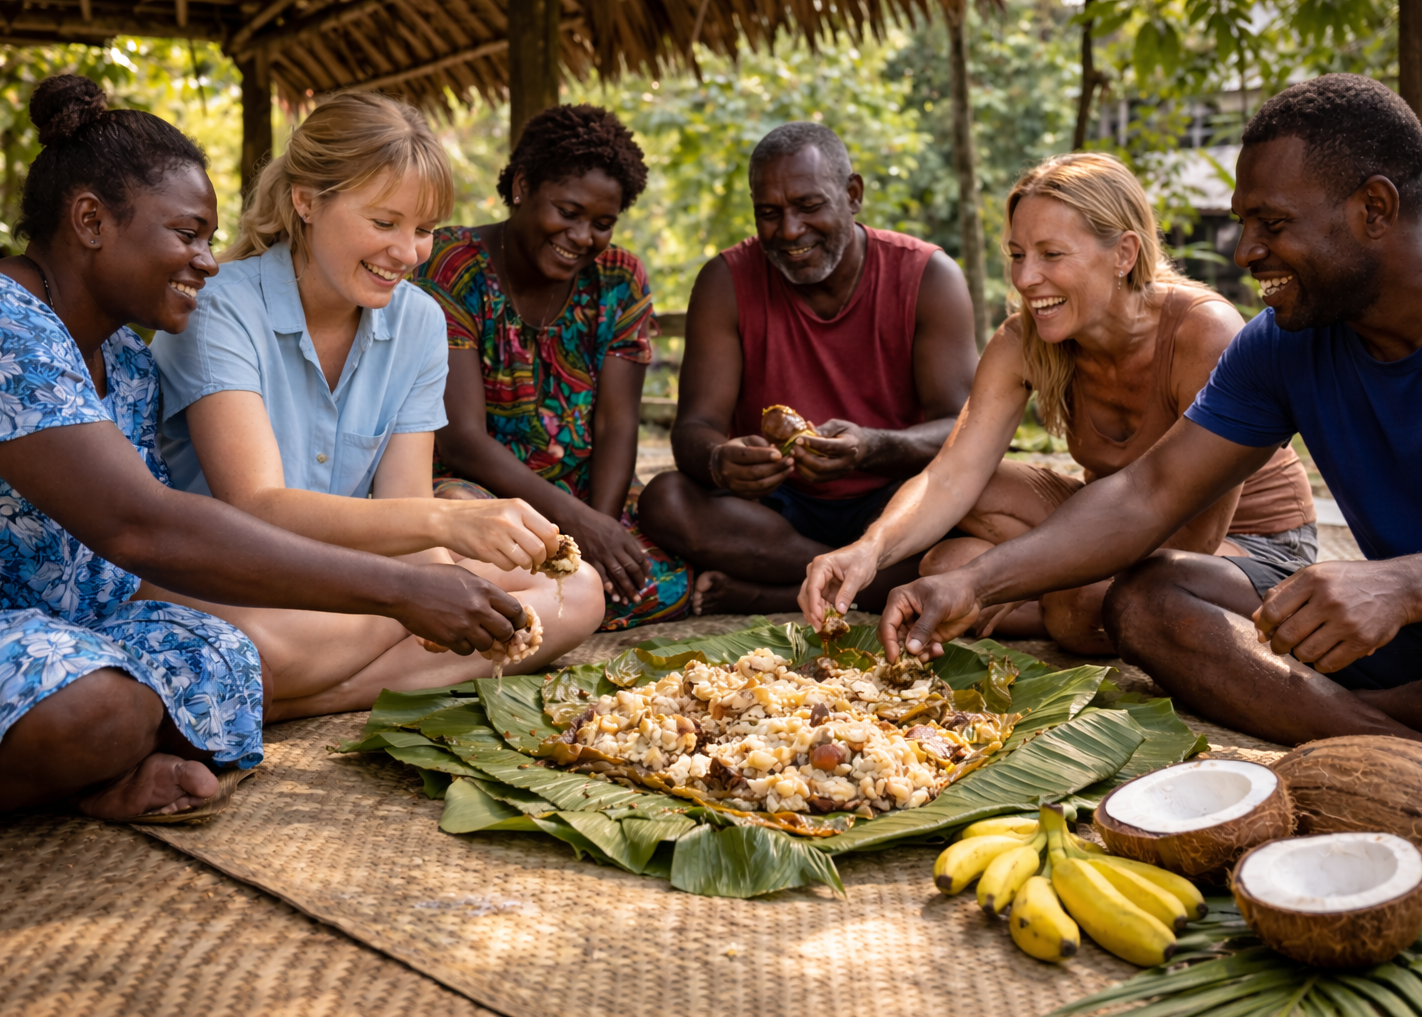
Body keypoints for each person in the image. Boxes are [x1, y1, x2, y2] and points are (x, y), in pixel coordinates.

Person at [875, 74, 1422, 777]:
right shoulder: (1282, 344)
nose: (1244, 252)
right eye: (1244, 222)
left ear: (1374, 207)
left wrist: (1403, 586)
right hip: (1406, 643)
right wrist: (975, 584)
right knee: (1146, 599)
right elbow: (1148, 494)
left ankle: (1358, 725)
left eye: (1273, 224)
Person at [0, 76, 533, 827]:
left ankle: (110, 760)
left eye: (207, 237)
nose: (206, 260)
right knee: (97, 709)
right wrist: (401, 590)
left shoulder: (125, 360)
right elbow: (144, 527)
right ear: (92, 221)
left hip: (91, 628)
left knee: (220, 655)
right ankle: (90, 767)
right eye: (186, 233)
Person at [149, 92, 605, 721]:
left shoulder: (419, 321)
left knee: (577, 592)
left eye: (423, 230)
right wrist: (443, 536)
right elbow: (256, 509)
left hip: (349, 595)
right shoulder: (221, 308)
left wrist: (444, 579)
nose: (409, 252)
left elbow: (404, 512)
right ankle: (309, 682)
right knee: (249, 651)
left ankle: (316, 698)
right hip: (231, 587)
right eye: (384, 223)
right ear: (306, 201)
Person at [801, 154, 1315, 654]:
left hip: (1247, 542)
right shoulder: (1024, 340)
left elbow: (1192, 542)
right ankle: (1043, 601)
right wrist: (867, 550)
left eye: (1051, 254)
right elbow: (952, 475)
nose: (1025, 279)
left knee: (1068, 603)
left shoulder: (1204, 331)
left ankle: (1048, 606)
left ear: (1124, 253)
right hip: (1120, 519)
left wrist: (1006, 579)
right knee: (946, 558)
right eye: (1018, 254)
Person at [639, 122, 979, 615]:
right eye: (769, 214)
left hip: (893, 507)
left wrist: (871, 446)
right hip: (777, 511)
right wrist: (720, 461)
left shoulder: (928, 276)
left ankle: (777, 593)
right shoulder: (725, 282)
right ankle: (851, 584)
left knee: (979, 520)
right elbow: (694, 430)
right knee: (664, 500)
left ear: (853, 194)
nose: (790, 230)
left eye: (809, 206)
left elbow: (964, 433)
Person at [413, 105, 692, 630]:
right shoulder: (453, 265)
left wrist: (601, 526)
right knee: (464, 544)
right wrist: (576, 525)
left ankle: (573, 595)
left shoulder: (619, 280)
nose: (582, 236)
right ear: (521, 186)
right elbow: (463, 440)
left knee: (667, 567)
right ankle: (569, 598)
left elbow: (616, 424)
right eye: (568, 211)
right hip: (480, 487)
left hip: (588, 490)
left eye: (602, 223)